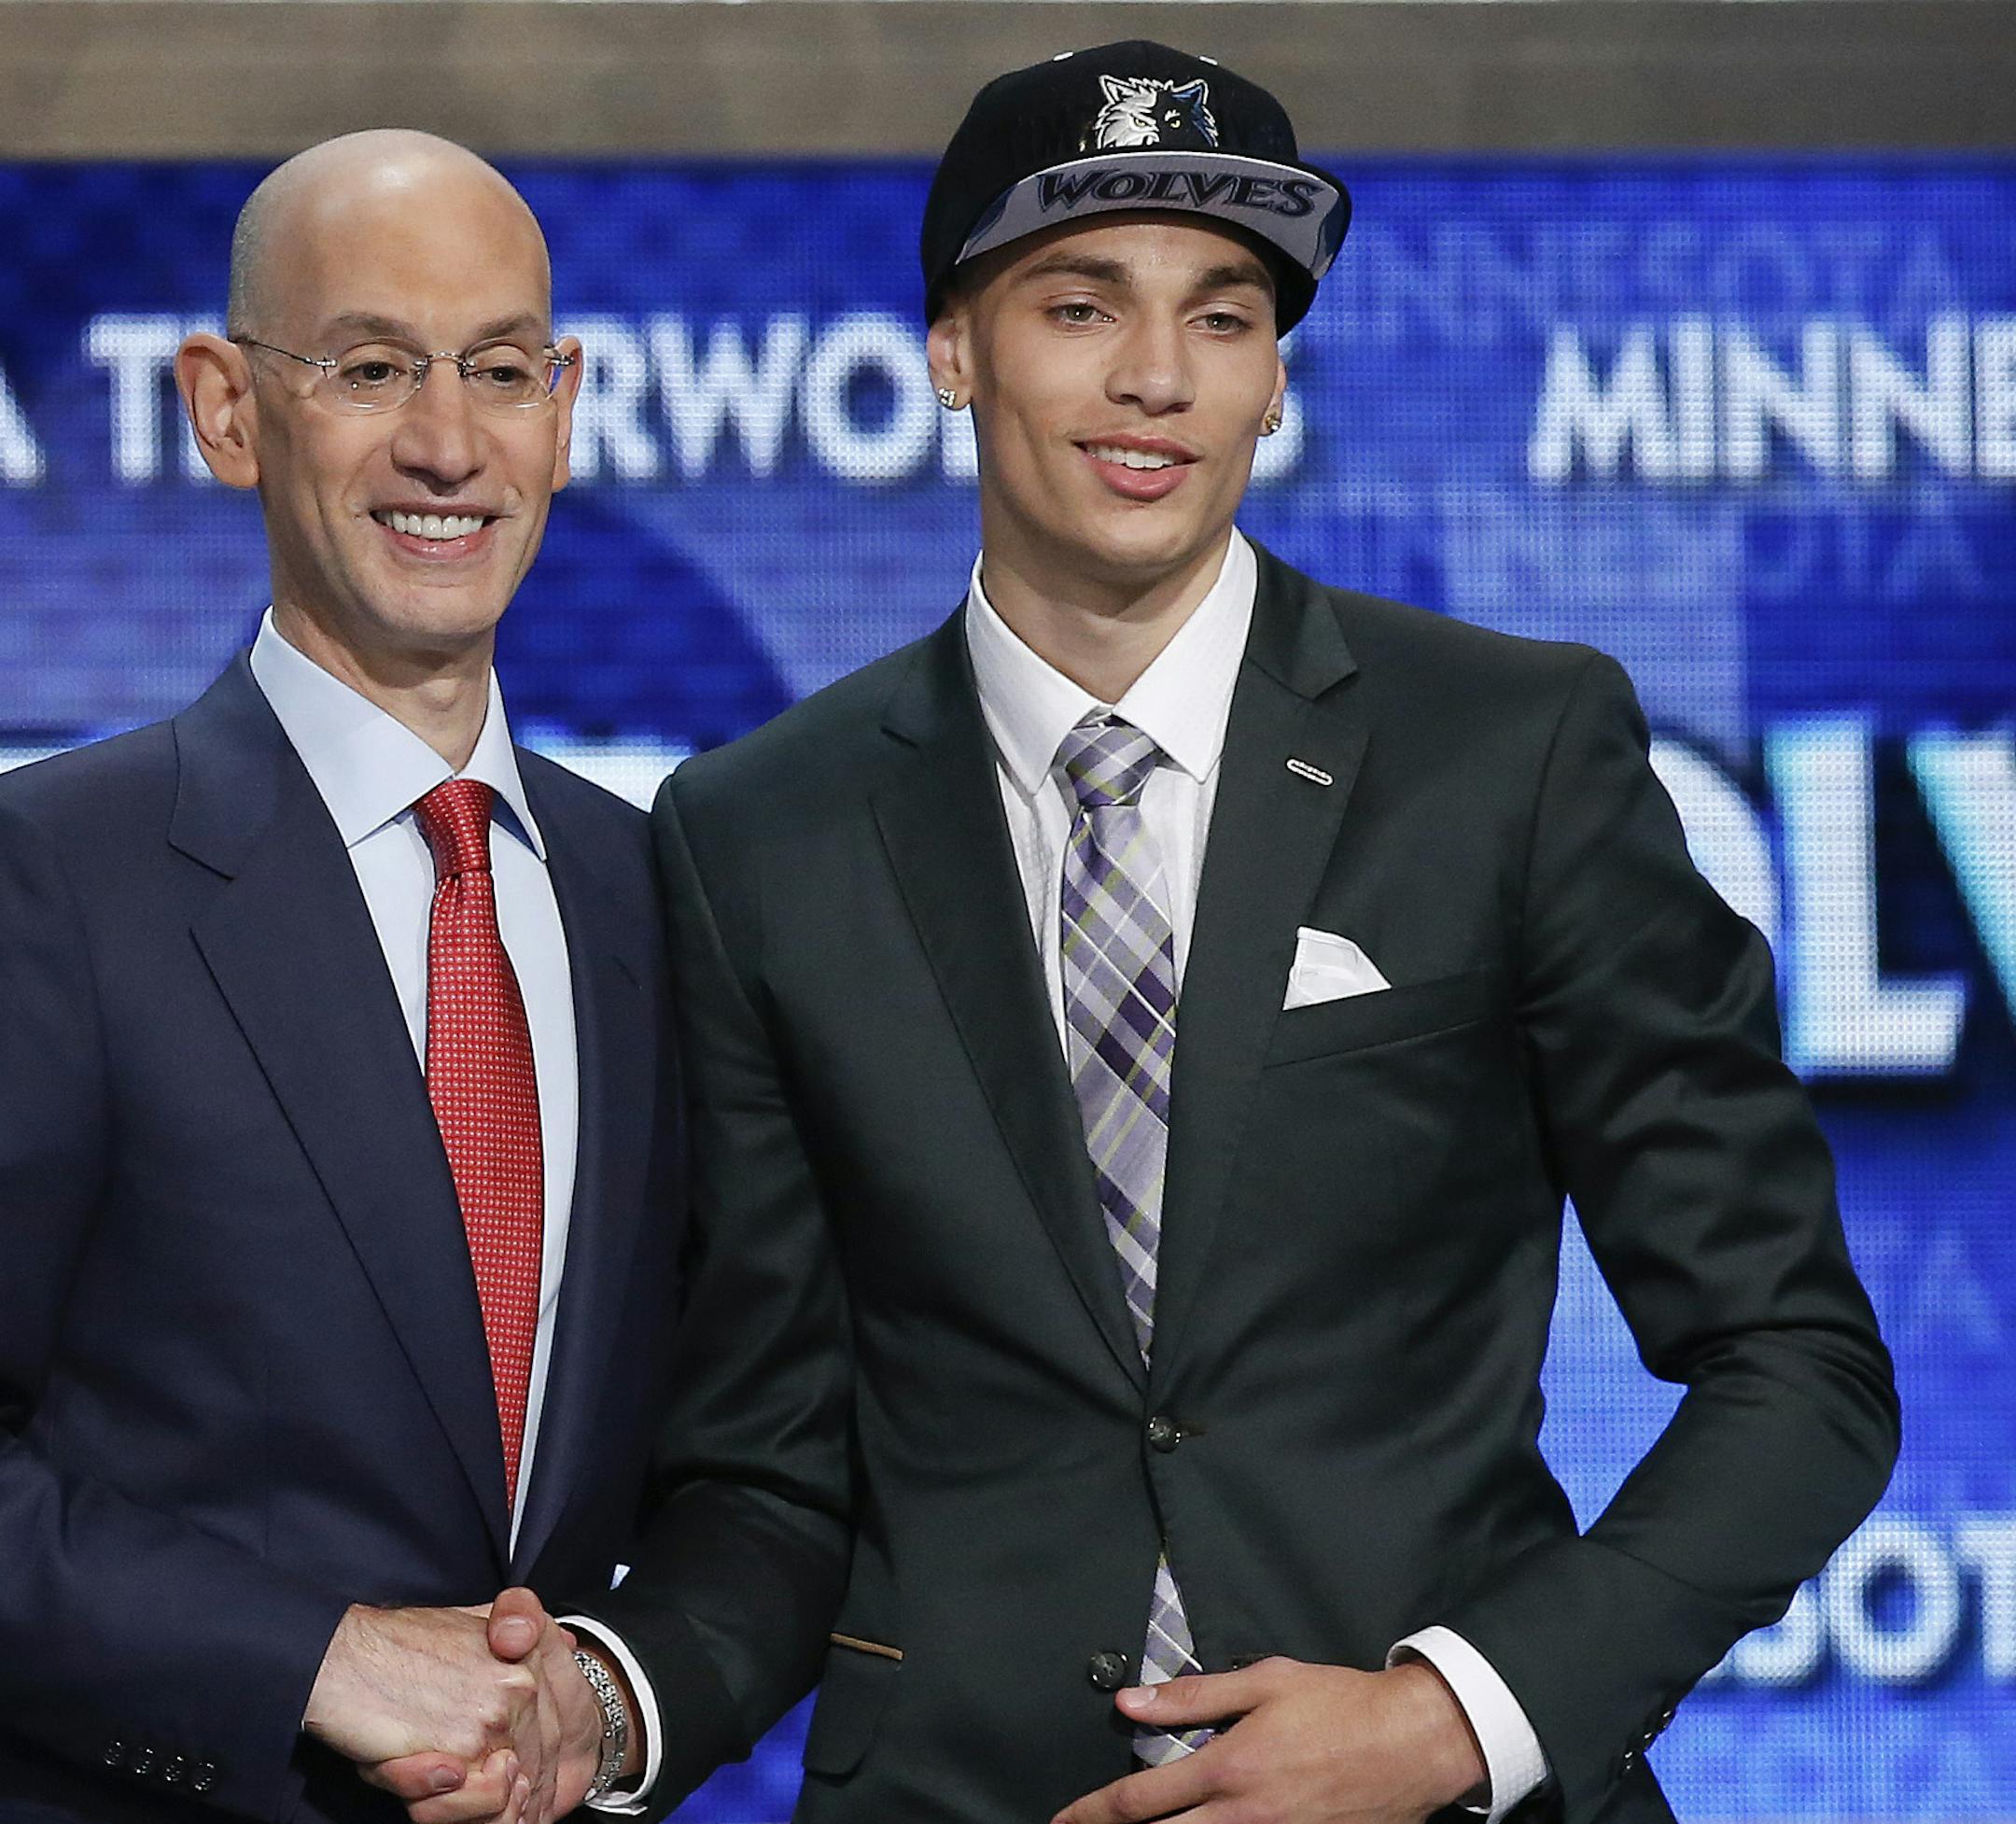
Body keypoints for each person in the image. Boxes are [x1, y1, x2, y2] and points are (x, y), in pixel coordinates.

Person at [584, 43, 1900, 1824]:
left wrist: (1461, 1714)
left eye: (1223, 317)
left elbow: (1799, 1366)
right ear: (952, 351)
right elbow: (766, 1467)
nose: (1156, 379)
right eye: (1079, 303)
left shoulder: (1509, 751)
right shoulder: (759, 832)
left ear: (1274, 380)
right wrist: (601, 1711)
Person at [0, 132, 679, 1824]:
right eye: (372, 367)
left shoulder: (667, 890)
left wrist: (604, 1695)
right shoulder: (50, 875)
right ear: (229, 409)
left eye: (502, 370)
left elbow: (756, 1445)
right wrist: (314, 1654)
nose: (447, 442)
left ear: (566, 404)